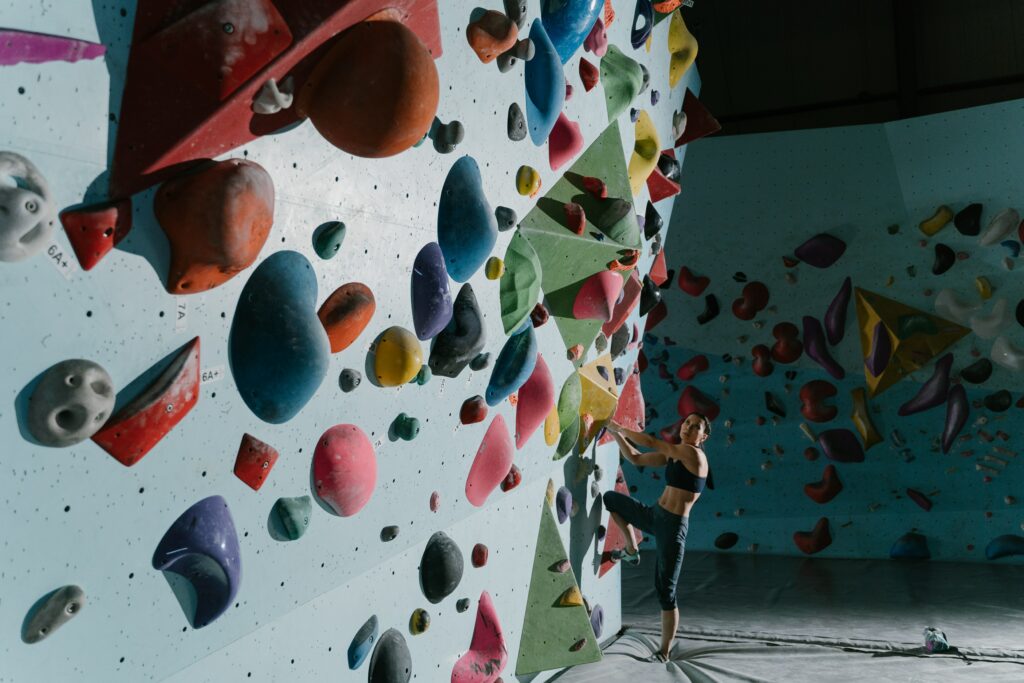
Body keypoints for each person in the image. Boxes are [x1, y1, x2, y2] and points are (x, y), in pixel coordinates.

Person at [603, 413, 713, 663]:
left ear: (703, 436)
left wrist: (618, 426)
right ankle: (632, 549)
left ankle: (664, 650)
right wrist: (616, 435)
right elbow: (635, 457)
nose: (688, 427)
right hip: (655, 515)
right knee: (611, 500)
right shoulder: (675, 454)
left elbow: (651, 443)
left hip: (673, 528)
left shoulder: (693, 455)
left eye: (696, 426)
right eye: (687, 422)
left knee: (666, 592)